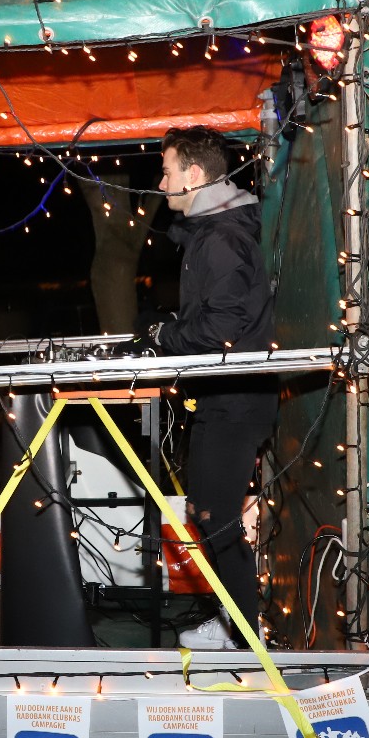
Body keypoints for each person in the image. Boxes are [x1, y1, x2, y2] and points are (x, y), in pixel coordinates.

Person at [134, 126, 276, 650]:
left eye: (167, 171)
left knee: (215, 520)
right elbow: (214, 315)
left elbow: (221, 330)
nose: (161, 182)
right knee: (206, 512)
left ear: (193, 174)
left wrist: (162, 334)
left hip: (237, 400)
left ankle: (248, 639)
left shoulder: (221, 239)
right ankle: (235, 621)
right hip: (224, 396)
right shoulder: (210, 234)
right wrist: (172, 326)